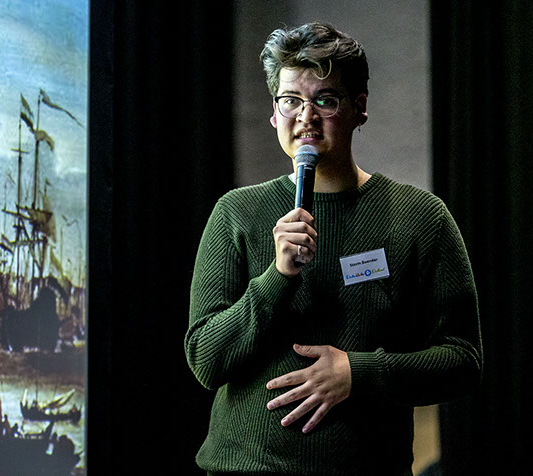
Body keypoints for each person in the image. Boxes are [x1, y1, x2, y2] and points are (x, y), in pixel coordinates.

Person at [185, 21, 482, 475]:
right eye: (291, 100)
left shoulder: (421, 217)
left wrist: (357, 374)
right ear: (274, 113)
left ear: (359, 108)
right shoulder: (236, 212)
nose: (306, 117)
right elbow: (206, 361)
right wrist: (276, 278)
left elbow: (462, 361)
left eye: (325, 100)